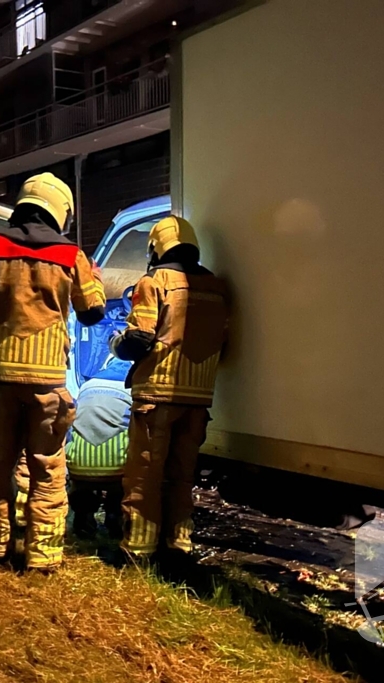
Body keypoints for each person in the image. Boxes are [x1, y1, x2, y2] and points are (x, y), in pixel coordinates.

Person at [0, 172, 105, 571]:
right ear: (60, 211)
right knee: (47, 465)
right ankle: (42, 556)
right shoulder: (72, 256)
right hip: (46, 386)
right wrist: (97, 283)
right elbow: (93, 313)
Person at [110, 216, 229, 559]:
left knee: (145, 473)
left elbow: (139, 338)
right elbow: (225, 343)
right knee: (181, 476)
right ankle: (179, 546)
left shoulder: (155, 281)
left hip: (156, 398)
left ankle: (138, 549)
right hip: (198, 400)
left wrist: (116, 343)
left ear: (155, 247)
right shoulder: (219, 287)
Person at [66, 354, 133, 539]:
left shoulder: (87, 386)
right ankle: (115, 517)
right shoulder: (133, 388)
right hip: (116, 468)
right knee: (123, 479)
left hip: (78, 466)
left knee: (82, 485)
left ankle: (83, 520)